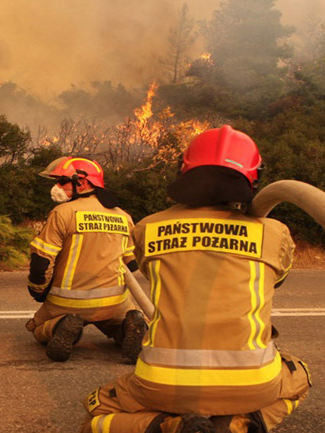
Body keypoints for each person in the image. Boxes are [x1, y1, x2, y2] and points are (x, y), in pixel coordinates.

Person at [80, 126, 311, 433]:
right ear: (254, 177)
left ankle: (167, 426)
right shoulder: (274, 232)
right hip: (252, 383)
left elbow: (154, 273)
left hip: (160, 382)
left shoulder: (148, 228)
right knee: (300, 375)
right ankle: (237, 425)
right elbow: (276, 280)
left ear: (183, 170)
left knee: (95, 409)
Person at [26, 157, 147, 364]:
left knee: (37, 327)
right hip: (114, 302)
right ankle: (128, 329)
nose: (56, 187)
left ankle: (62, 324)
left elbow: (42, 261)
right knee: (118, 321)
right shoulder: (123, 216)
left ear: (81, 182)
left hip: (67, 302)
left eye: (61, 181)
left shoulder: (62, 213)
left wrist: (38, 290)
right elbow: (131, 264)